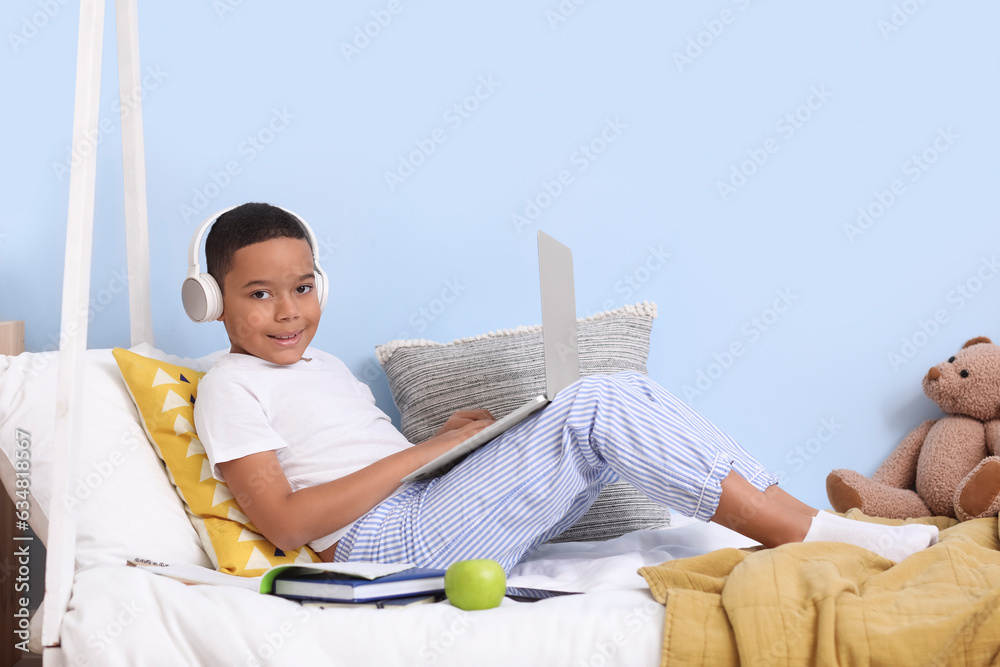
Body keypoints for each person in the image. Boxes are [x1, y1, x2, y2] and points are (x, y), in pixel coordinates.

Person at [192, 203, 939, 572]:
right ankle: (820, 537)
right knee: (598, 403)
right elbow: (288, 524)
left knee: (614, 388)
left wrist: (453, 447)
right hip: (387, 544)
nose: (288, 311)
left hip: (423, 508)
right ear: (211, 298)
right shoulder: (229, 384)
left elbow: (352, 462)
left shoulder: (317, 369)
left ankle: (811, 522)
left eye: (302, 286)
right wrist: (428, 451)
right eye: (260, 294)